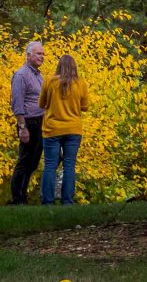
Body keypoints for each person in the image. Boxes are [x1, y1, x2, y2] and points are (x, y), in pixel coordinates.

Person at [39, 51, 90, 205]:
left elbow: (42, 104)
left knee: (50, 165)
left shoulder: (49, 81)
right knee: (69, 165)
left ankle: (48, 201)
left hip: (52, 129)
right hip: (73, 129)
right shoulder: (81, 83)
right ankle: (67, 201)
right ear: (74, 67)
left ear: (58, 66)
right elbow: (85, 107)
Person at [7, 41, 45, 204]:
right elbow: (17, 102)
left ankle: (23, 195)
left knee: (33, 161)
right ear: (28, 55)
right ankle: (17, 198)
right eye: (38, 54)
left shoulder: (39, 75)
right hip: (28, 123)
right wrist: (22, 127)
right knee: (24, 160)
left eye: (43, 54)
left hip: (40, 122)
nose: (41, 57)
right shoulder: (21, 75)